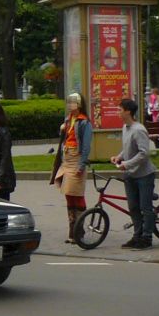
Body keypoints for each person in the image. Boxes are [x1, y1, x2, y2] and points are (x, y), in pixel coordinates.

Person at [113, 98, 156, 249]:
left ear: (128, 111)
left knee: (145, 208)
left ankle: (147, 237)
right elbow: (128, 147)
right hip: (130, 175)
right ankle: (137, 236)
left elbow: (144, 153)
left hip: (144, 175)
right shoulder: (125, 127)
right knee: (133, 207)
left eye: (120, 109)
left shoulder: (139, 129)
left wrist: (126, 164)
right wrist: (119, 157)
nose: (118, 112)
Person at [51, 92, 93, 244]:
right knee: (68, 193)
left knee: (77, 194)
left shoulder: (84, 122)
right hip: (67, 158)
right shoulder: (68, 120)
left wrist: (82, 164)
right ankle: (72, 230)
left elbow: (87, 146)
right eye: (68, 102)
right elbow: (64, 139)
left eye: (73, 102)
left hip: (76, 158)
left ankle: (78, 231)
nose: (70, 105)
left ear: (80, 104)